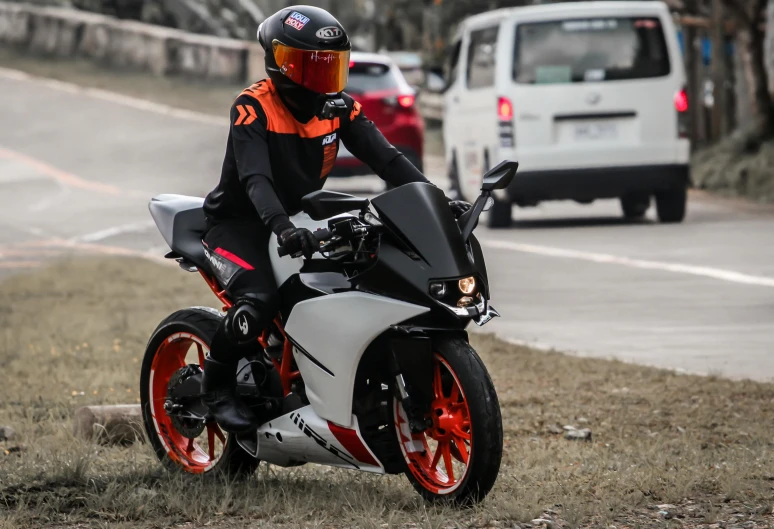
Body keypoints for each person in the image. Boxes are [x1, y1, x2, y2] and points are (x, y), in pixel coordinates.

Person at [199, 5, 472, 433]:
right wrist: (282, 227)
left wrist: (437, 201)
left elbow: (389, 160)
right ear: (278, 62)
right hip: (241, 224)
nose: (321, 79)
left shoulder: (339, 107)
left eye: (331, 67)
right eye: (310, 67)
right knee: (259, 301)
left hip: (299, 220)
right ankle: (215, 388)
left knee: (353, 281)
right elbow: (256, 181)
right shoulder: (252, 108)